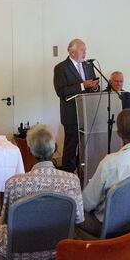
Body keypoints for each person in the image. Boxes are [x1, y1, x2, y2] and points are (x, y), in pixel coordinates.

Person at [0, 124, 83, 260]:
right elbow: (78, 219)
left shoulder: (14, 183)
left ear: (29, 151)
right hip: (59, 250)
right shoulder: (72, 181)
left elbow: (6, 221)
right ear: (55, 149)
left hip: (17, 253)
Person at [53, 38, 99, 172]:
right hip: (71, 114)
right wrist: (82, 86)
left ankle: (82, 170)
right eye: (82, 50)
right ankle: (67, 173)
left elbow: (93, 88)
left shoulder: (88, 66)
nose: (85, 52)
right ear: (72, 52)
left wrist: (94, 87)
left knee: (86, 145)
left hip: (87, 113)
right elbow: (61, 91)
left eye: (85, 50)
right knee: (71, 146)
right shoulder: (61, 68)